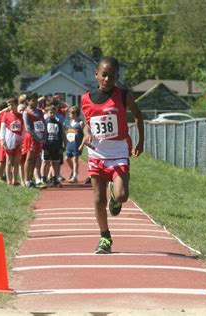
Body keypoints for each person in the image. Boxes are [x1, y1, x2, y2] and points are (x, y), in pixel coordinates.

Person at [81, 56, 144, 254]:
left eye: (113, 76)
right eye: (104, 75)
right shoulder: (86, 98)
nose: (108, 80)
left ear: (117, 76)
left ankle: (115, 198)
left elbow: (138, 116)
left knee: (123, 195)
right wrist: (86, 133)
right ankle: (105, 237)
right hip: (97, 153)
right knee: (98, 199)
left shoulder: (123, 95)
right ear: (97, 74)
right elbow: (87, 123)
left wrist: (141, 141)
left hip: (118, 152)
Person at [22, 92, 47, 188]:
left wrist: (44, 137)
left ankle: (31, 179)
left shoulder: (40, 111)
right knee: (29, 159)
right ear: (28, 101)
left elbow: (43, 124)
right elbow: (28, 128)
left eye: (36, 100)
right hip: (32, 138)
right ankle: (26, 180)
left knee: (35, 159)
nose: (36, 102)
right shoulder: (26, 112)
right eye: (33, 100)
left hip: (40, 138)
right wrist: (38, 138)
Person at [0, 97, 24, 186]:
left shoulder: (21, 116)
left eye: (12, 104)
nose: (10, 107)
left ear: (16, 105)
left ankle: (15, 180)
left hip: (18, 141)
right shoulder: (6, 115)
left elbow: (23, 129)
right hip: (9, 140)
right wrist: (2, 140)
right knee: (9, 161)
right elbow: (2, 129)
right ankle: (9, 181)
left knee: (16, 162)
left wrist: (22, 139)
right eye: (9, 105)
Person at [41, 105, 66, 187]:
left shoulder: (58, 123)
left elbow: (62, 135)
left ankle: (55, 178)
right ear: (47, 113)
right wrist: (43, 147)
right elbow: (42, 135)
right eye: (50, 112)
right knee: (45, 162)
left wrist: (63, 147)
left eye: (54, 112)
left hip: (56, 146)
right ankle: (43, 178)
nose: (52, 114)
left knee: (56, 163)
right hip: (47, 145)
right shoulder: (44, 122)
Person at [65, 105, 85, 183]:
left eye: (70, 114)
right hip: (70, 144)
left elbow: (85, 135)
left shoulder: (81, 123)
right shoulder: (71, 122)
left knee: (75, 160)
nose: (69, 115)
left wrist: (82, 145)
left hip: (77, 144)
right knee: (67, 158)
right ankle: (74, 171)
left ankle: (74, 176)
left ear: (75, 114)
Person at [0, 101, 8, 182]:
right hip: (2, 139)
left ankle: (5, 174)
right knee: (2, 159)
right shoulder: (1, 115)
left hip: (8, 139)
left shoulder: (7, 115)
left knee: (8, 159)